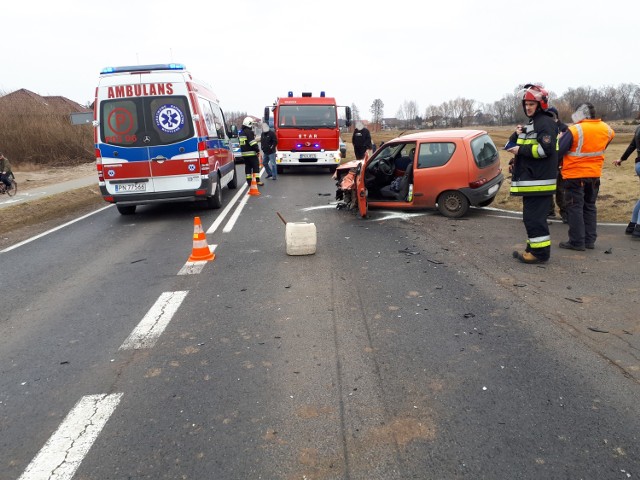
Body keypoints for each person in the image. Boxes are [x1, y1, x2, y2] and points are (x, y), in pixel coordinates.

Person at [507, 84, 558, 264]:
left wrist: (520, 151)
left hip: (539, 181)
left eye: (531, 104)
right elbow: (515, 144)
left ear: (540, 104)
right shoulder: (534, 123)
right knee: (531, 218)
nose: (528, 107)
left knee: (534, 219)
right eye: (526, 104)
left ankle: (540, 254)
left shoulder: (544, 123)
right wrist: (517, 143)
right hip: (533, 180)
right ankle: (533, 248)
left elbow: (546, 150)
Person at [557, 103, 615, 251]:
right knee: (589, 206)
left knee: (575, 207)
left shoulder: (574, 130)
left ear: (580, 114)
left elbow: (559, 151)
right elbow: (602, 147)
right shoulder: (607, 130)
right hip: (594, 175)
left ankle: (577, 241)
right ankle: (589, 240)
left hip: (575, 175)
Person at [613, 123, 640, 238]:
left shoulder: (639, 128)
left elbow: (632, 145)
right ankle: (638, 228)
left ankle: (632, 225)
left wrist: (622, 159)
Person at [546, 106, 569, 221]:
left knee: (561, 190)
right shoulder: (546, 128)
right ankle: (550, 211)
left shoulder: (564, 129)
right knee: (548, 188)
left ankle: (565, 213)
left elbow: (565, 147)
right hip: (549, 163)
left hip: (562, 164)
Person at [239, 117, 263, 186]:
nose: (252, 126)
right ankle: (257, 180)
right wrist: (257, 150)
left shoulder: (241, 133)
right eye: (251, 124)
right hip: (251, 153)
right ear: (249, 124)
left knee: (248, 167)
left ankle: (249, 182)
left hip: (244, 154)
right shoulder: (249, 132)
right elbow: (252, 143)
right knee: (255, 166)